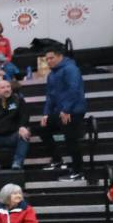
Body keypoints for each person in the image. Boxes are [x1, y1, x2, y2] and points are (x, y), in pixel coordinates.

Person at [34, 45, 87, 180]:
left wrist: (66, 110)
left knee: (71, 140)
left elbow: (74, 90)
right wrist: (46, 114)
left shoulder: (71, 69)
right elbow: (50, 96)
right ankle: (58, 160)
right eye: (47, 59)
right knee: (43, 128)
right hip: (60, 112)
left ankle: (78, 171)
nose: (49, 61)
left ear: (60, 56)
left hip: (73, 111)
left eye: (51, 58)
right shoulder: (52, 74)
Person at [0, 79, 30, 170]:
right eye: (3, 87)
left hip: (13, 135)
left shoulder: (19, 100)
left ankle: (17, 162)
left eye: (8, 87)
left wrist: (22, 126)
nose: (7, 89)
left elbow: (24, 115)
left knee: (26, 132)